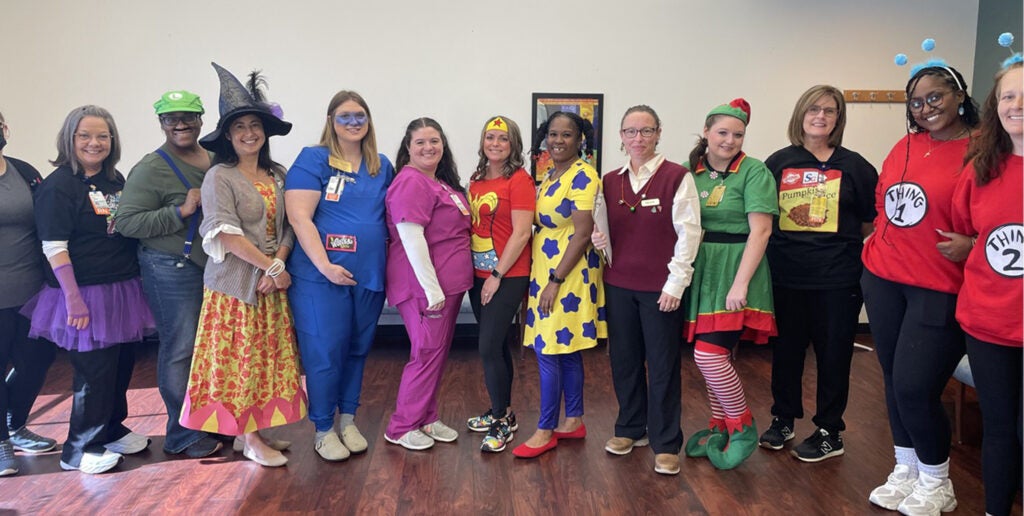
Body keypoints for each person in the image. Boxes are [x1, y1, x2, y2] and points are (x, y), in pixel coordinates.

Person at [860, 62, 980, 513]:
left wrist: (974, 243)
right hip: (884, 277)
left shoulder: (983, 148)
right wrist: (878, 236)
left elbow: (1005, 214)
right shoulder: (907, 144)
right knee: (893, 380)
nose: (926, 107)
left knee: (915, 386)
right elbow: (883, 196)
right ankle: (906, 466)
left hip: (940, 285)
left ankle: (937, 480)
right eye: (917, 101)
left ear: (959, 96)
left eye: (936, 97)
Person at [179, 63, 306, 468]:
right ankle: (247, 438)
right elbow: (226, 235)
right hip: (234, 288)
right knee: (240, 362)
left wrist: (278, 265)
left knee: (265, 361)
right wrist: (271, 269)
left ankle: (256, 430)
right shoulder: (220, 176)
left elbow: (290, 228)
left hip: (271, 284)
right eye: (239, 128)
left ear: (265, 131)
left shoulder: (278, 175)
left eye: (255, 125)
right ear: (229, 137)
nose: (249, 133)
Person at [19, 105, 155, 474]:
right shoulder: (58, 186)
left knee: (121, 366)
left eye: (103, 136)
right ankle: (80, 448)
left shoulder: (115, 180)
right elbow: (53, 246)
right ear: (70, 140)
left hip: (121, 288)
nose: (95, 143)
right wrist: (73, 298)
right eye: (85, 136)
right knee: (94, 373)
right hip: (83, 292)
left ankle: (111, 429)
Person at [760, 86, 878, 462]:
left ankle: (830, 430)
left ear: (839, 119)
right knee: (787, 352)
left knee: (834, 355)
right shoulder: (778, 163)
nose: (821, 116)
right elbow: (762, 218)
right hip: (785, 274)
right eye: (814, 109)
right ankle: (783, 419)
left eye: (830, 111)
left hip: (838, 278)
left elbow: (868, 224)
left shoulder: (856, 167)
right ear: (801, 115)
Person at [589, 105, 700, 475]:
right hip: (618, 284)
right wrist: (598, 237)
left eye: (646, 131)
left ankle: (666, 442)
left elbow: (689, 234)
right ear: (620, 137)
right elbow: (608, 230)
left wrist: (676, 283)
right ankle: (630, 428)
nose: (638, 139)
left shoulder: (676, 177)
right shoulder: (609, 180)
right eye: (631, 132)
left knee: (664, 364)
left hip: (660, 289)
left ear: (658, 133)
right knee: (623, 360)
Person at [285, 91, 395, 461]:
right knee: (325, 352)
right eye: (344, 116)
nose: (353, 123)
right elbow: (299, 217)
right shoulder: (313, 159)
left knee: (358, 350)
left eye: (360, 116)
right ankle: (322, 428)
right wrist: (325, 266)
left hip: (368, 276)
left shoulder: (380, 164)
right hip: (321, 276)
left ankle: (348, 419)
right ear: (331, 120)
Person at [116, 90, 223, 459]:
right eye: (171, 118)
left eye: (188, 117)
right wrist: (180, 212)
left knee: (205, 349)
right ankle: (181, 435)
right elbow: (126, 222)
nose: (180, 124)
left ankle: (206, 423)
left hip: (209, 266)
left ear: (201, 120)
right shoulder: (150, 168)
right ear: (160, 123)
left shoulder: (214, 159)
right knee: (180, 349)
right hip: (169, 269)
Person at [680, 99, 778, 470]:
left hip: (738, 268)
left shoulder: (754, 171)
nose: (730, 140)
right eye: (722, 132)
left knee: (709, 355)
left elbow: (762, 230)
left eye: (738, 134)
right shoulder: (693, 172)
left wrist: (740, 285)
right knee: (710, 357)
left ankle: (743, 425)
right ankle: (718, 425)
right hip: (703, 268)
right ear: (706, 132)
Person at [949, 60, 1022, 516]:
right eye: (1010, 96)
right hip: (988, 322)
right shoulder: (981, 169)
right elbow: (965, 232)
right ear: (997, 107)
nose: (1018, 105)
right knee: (997, 427)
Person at [512, 111, 606, 459]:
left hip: (568, 272)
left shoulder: (583, 175)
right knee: (564, 351)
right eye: (553, 134)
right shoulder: (552, 173)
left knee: (548, 349)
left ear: (581, 139)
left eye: (567, 135)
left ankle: (545, 428)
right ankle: (574, 420)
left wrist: (554, 281)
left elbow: (582, 233)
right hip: (549, 268)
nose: (558, 141)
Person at [383, 118, 472, 451]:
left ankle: (425, 416)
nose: (428, 148)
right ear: (408, 147)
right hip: (423, 287)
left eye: (434, 141)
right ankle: (402, 425)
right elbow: (411, 236)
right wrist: (432, 289)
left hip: (446, 286)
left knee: (436, 354)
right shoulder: (411, 182)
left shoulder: (439, 182)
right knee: (425, 354)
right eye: (420, 142)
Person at [465, 116, 534, 453]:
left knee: (488, 347)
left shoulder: (519, 180)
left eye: (502, 139)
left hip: (507, 275)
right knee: (496, 346)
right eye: (489, 137)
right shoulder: (476, 180)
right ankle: (501, 410)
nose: (495, 143)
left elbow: (522, 233)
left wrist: (497, 276)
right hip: (476, 277)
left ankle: (502, 422)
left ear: (513, 145)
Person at [0, 112, 57, 477]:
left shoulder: (24, 171)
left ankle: (15, 423)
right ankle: (1, 442)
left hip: (34, 292)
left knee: (38, 360)